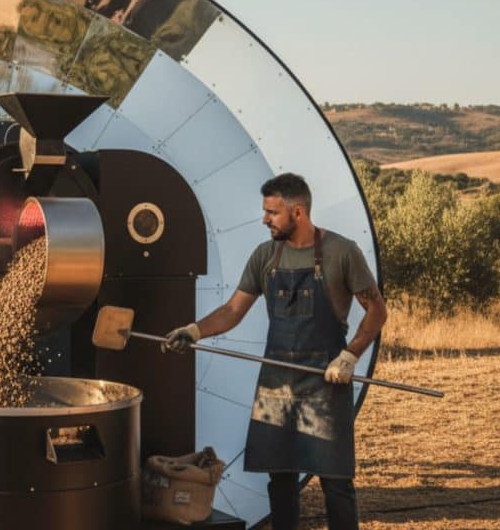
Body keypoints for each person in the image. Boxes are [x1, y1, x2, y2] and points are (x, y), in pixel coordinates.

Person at [163, 173, 387, 530]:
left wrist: (350, 355)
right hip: (277, 383)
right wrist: (194, 331)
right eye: (265, 211)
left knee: (335, 482)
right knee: (280, 479)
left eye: (272, 212)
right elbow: (233, 310)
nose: (265, 219)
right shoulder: (265, 255)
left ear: (298, 212)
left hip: (325, 381)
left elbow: (377, 310)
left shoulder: (341, 252)